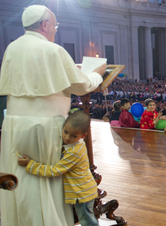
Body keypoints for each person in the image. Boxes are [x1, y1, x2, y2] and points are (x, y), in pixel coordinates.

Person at [0, 5, 105, 225]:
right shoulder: (52, 50)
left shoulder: (12, 48)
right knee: (44, 183)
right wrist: (97, 75)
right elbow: (82, 85)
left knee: (22, 179)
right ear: (45, 24)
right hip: (44, 125)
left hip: (14, 124)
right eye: (54, 25)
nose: (55, 30)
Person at [17, 111, 99, 226]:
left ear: (83, 136)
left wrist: (31, 164)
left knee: (87, 221)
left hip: (82, 193)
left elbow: (55, 170)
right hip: (83, 190)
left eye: (73, 136)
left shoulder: (74, 152)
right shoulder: (76, 144)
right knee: (87, 218)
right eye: (65, 132)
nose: (67, 138)